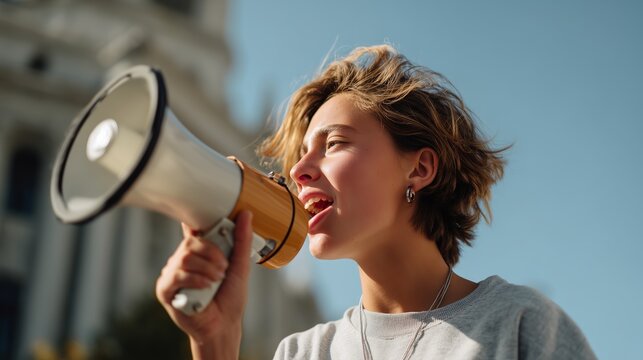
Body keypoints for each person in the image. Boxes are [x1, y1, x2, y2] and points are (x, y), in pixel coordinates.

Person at [156, 45, 596, 359]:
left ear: (420, 169)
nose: (299, 172)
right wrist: (216, 341)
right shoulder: (303, 352)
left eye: (335, 143)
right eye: (301, 155)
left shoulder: (520, 326)